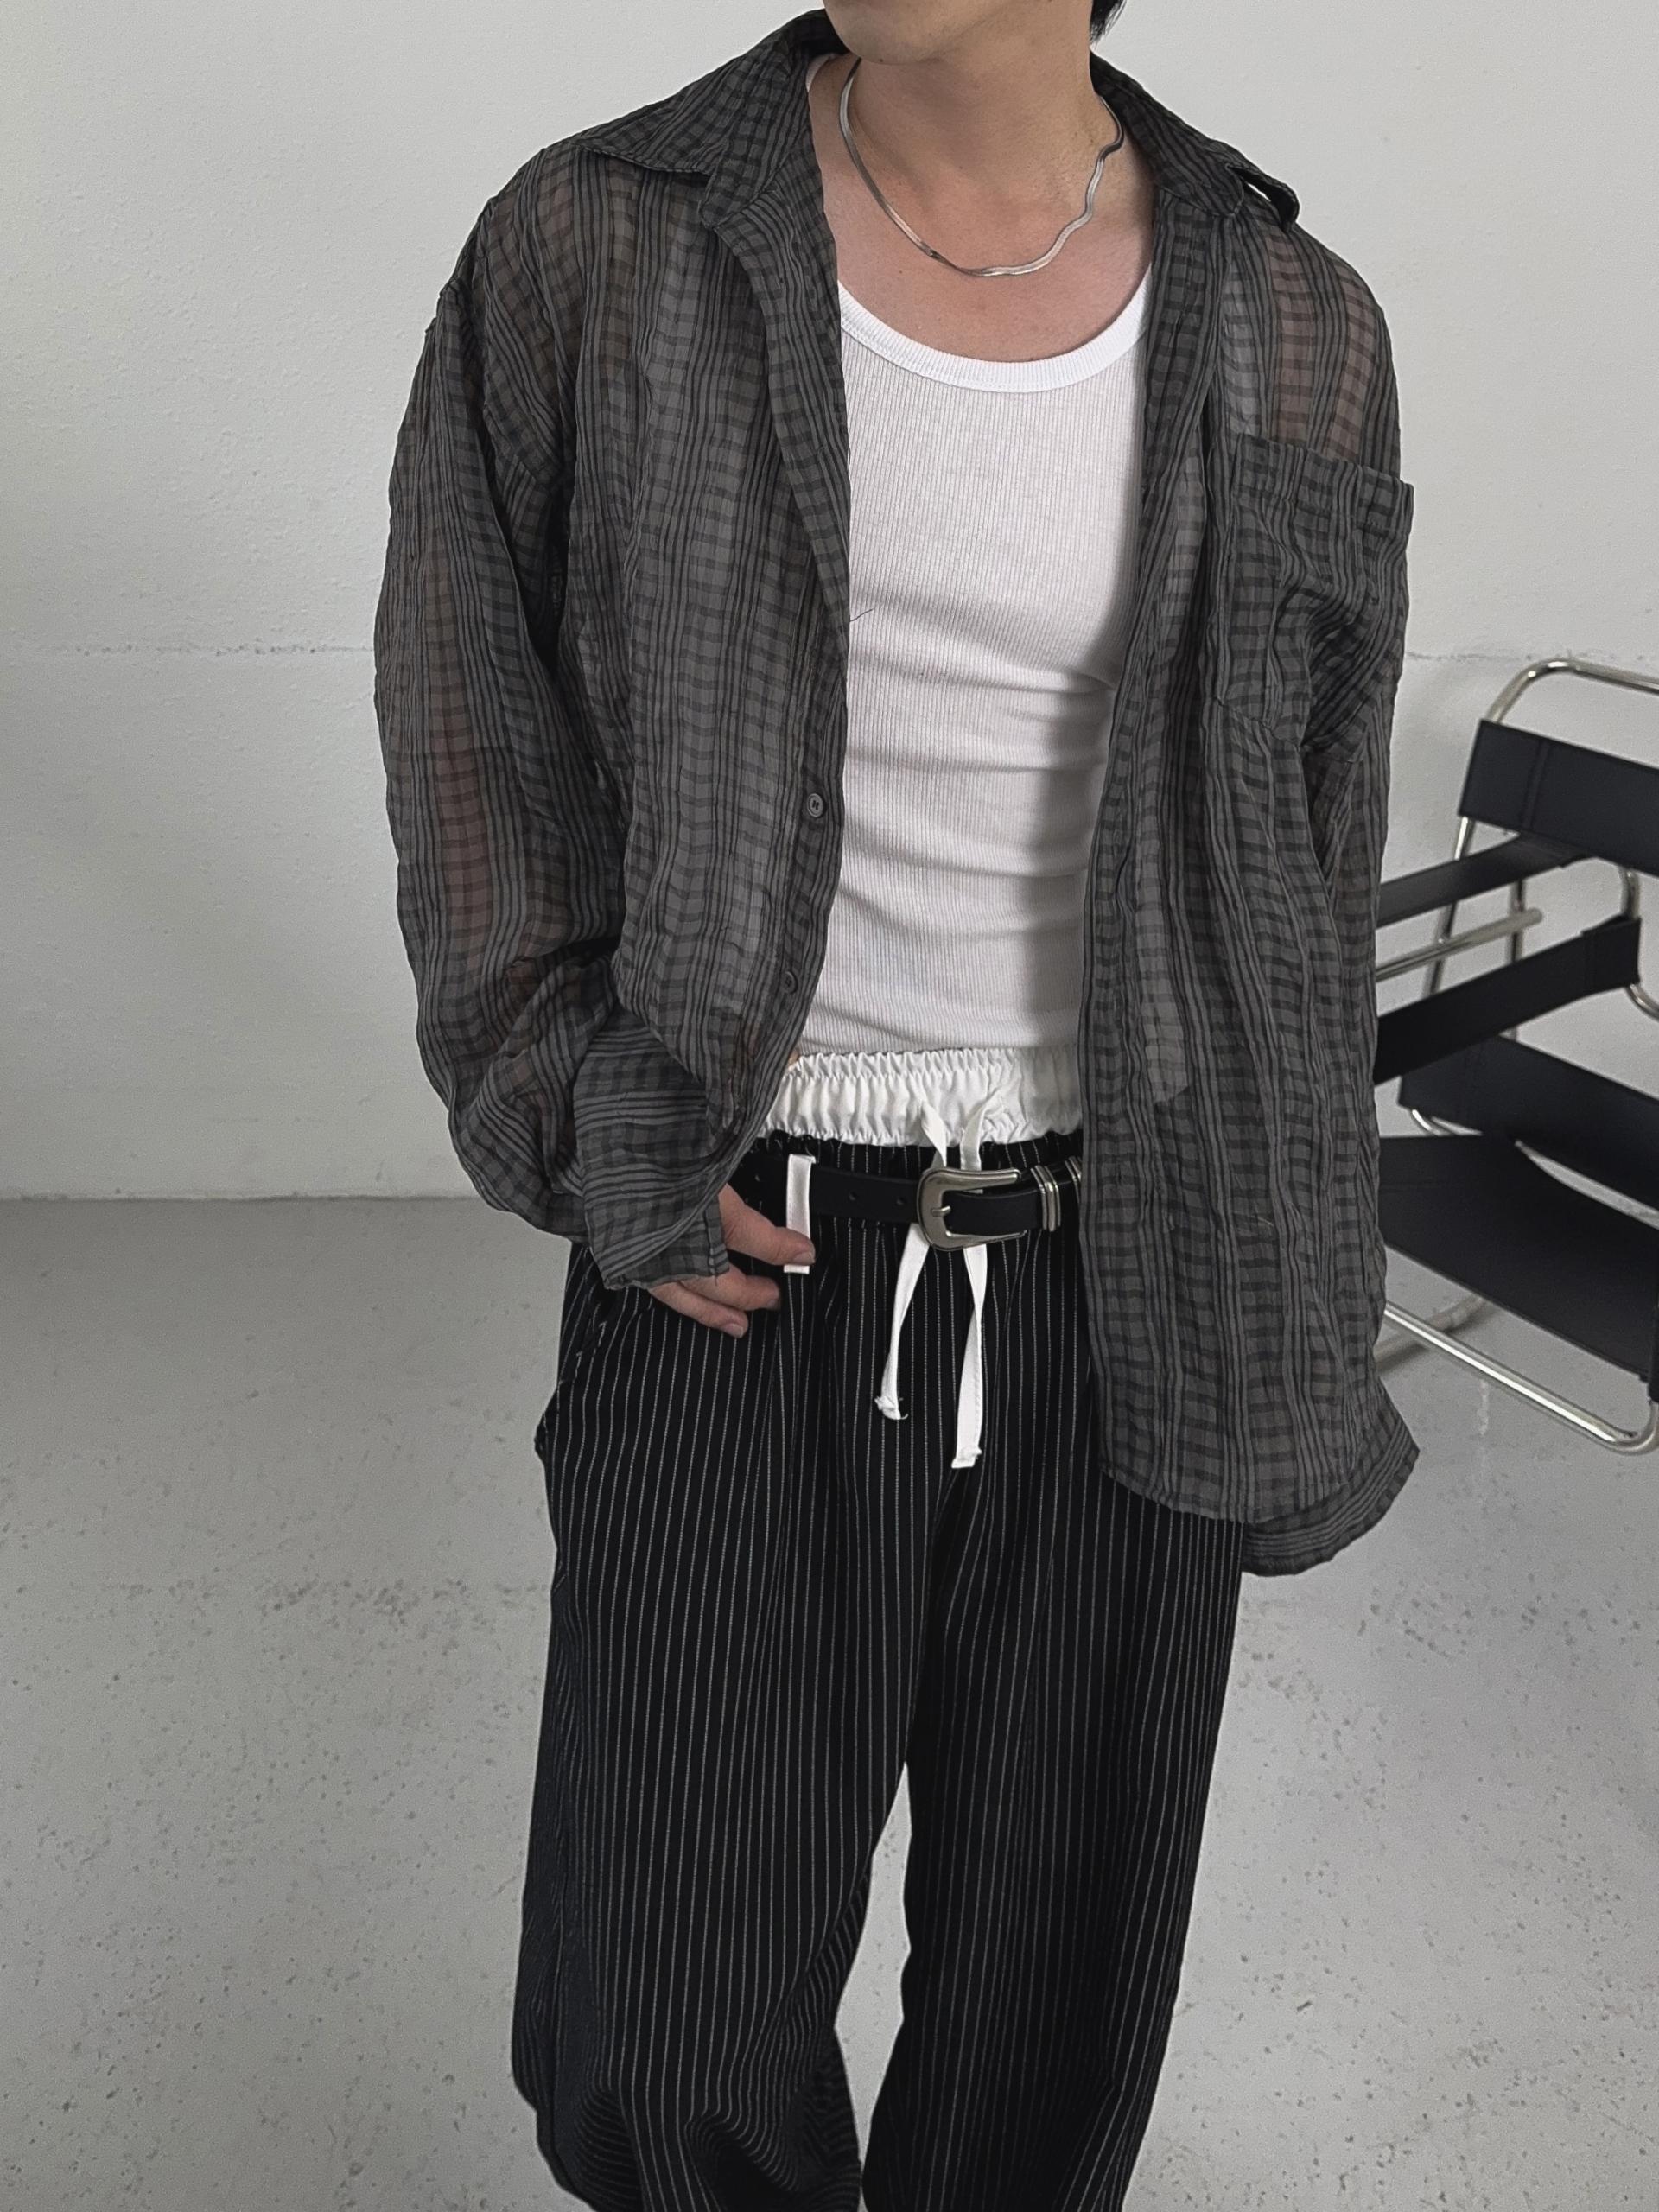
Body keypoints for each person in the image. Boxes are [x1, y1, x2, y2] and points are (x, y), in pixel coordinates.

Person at [372, 4, 1421, 2206]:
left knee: (1054, 2015)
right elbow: (470, 714)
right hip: (738, 1241)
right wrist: (581, 1112)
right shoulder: (599, 241)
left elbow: (1310, 857)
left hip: (1143, 1256)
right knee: (664, 2022)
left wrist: (1302, 1296)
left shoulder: (1296, 317)